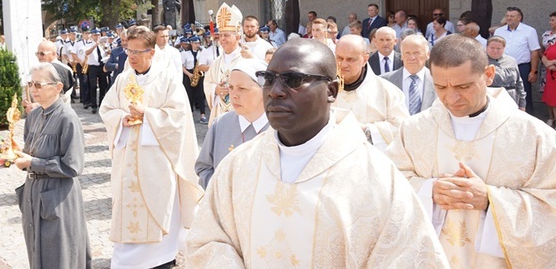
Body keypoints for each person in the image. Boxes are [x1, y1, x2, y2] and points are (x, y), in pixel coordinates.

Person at [186, 39, 447, 267]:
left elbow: (408, 257)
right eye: (269, 78)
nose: (275, 91)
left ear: (331, 91)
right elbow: (208, 240)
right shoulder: (238, 166)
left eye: (293, 80)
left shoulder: (375, 177)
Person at [386, 34, 556, 267]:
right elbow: (388, 185)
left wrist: (490, 200)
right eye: (440, 87)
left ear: (488, 75)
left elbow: (550, 204)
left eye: (463, 86)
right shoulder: (414, 129)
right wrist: (429, 191)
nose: (451, 98)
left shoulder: (534, 135)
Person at [99, 26, 203, 269]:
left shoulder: (168, 80)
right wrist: (122, 119)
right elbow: (107, 109)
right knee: (127, 221)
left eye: (137, 51)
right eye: (128, 51)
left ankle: (160, 260)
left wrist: (148, 114)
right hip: (127, 165)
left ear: (152, 52)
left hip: (157, 163)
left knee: (158, 220)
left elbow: (179, 119)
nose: (131, 56)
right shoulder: (123, 80)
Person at [14, 63, 91, 269]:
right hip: (33, 194)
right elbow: (30, 151)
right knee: (36, 252)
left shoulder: (68, 118)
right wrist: (17, 154)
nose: (33, 89)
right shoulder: (33, 116)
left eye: (38, 84)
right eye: (31, 84)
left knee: (59, 256)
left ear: (57, 87)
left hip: (58, 197)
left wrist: (33, 162)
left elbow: (73, 166)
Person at [195, 58, 268, 189]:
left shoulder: (279, 129)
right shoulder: (221, 124)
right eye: (231, 87)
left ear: (264, 90)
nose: (234, 95)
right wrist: (219, 192)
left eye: (242, 88)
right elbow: (204, 166)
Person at [334, 35, 409, 152]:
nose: (343, 64)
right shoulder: (323, 89)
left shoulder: (387, 91)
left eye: (350, 59)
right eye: (339, 58)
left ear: (365, 59)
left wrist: (366, 130)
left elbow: (402, 129)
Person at [493, 6, 540, 115]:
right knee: (502, 93)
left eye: (512, 16)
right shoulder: (499, 31)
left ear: (519, 18)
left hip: (522, 67)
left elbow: (535, 51)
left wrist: (533, 71)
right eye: (507, 16)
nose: (509, 18)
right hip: (502, 67)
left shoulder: (529, 31)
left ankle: (527, 118)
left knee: (524, 94)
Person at [205, 3, 244, 126]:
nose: (222, 39)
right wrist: (215, 90)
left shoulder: (245, 60)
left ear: (237, 37)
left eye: (226, 35)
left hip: (240, 115)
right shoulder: (217, 62)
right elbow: (207, 82)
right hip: (220, 113)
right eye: (220, 35)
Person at [381, 34, 436, 115]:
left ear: (427, 54)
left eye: (416, 53)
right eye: (407, 53)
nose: (412, 57)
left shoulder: (438, 81)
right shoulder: (384, 81)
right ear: (402, 56)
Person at [486, 36, 526, 110]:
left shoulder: (511, 61)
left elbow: (519, 83)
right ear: (487, 47)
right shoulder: (481, 61)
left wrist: (522, 104)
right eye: (492, 48)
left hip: (511, 98)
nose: (495, 51)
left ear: (504, 48)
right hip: (491, 99)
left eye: (498, 48)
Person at [181, 36, 208, 124]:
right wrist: (189, 74)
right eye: (195, 43)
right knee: (189, 95)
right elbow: (181, 66)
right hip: (189, 73)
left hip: (199, 74)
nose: (197, 45)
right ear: (191, 43)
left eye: (198, 43)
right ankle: (190, 114)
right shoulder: (185, 53)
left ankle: (203, 115)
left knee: (200, 94)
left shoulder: (202, 52)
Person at [542, 11, 556, 127]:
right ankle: (551, 118)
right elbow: (542, 51)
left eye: (553, 20)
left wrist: (553, 63)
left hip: (554, 67)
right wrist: (546, 62)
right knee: (548, 94)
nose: (550, 22)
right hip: (546, 69)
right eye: (550, 20)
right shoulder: (546, 35)